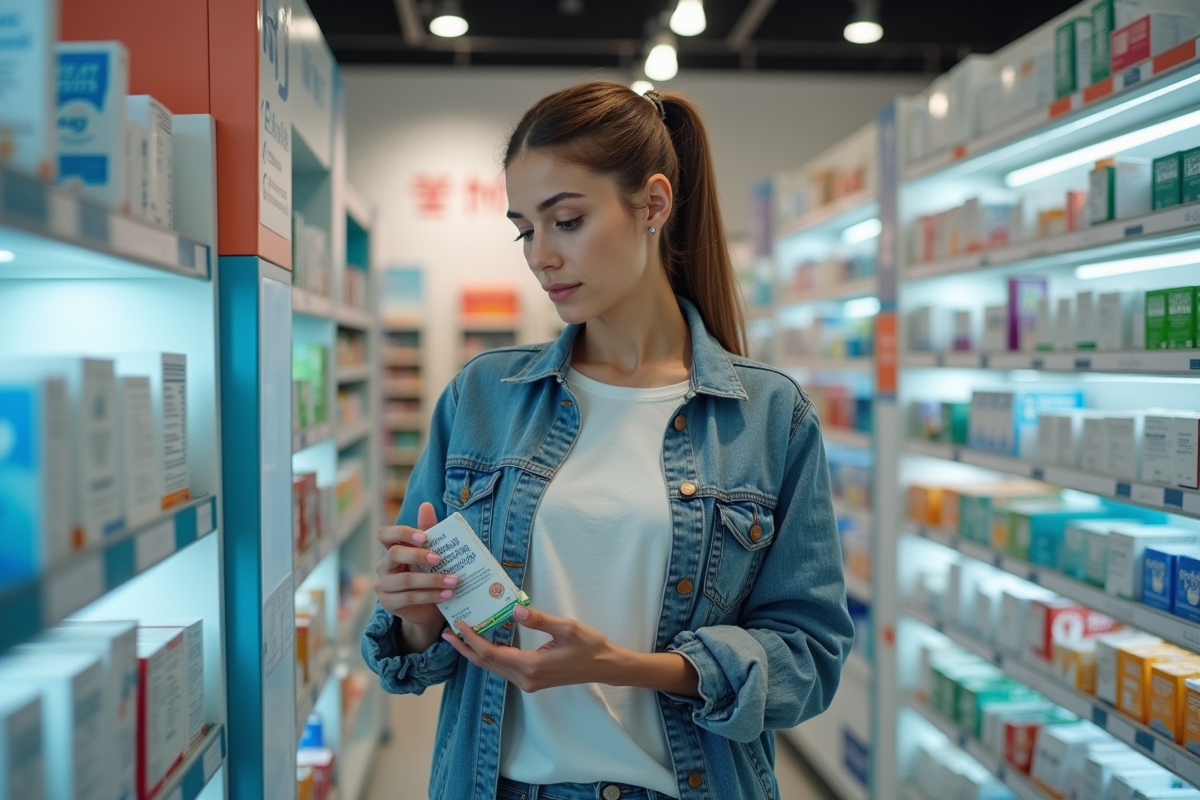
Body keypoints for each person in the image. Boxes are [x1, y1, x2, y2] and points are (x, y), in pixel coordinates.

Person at [362, 80, 854, 800]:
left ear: (652, 204)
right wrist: (416, 615)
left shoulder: (770, 415)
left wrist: (620, 666)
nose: (540, 256)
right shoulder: (483, 397)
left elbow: (808, 659)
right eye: (525, 230)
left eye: (566, 221)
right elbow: (413, 656)